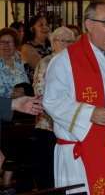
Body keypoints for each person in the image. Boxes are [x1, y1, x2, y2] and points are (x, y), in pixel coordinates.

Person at [43, 0, 105, 195]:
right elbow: (52, 101)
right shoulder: (65, 61)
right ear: (89, 24)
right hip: (82, 156)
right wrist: (89, 113)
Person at [32, 26, 76, 189]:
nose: (67, 44)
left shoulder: (77, 63)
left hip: (72, 126)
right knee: (50, 175)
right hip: (48, 127)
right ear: (53, 43)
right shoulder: (46, 62)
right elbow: (41, 94)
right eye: (63, 41)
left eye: (71, 41)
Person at [21, 14, 52, 83]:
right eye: (41, 25)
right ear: (32, 29)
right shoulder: (27, 47)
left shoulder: (51, 45)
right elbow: (43, 68)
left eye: (47, 24)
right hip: (36, 87)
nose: (45, 27)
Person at [0, 28, 29, 98]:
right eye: (2, 42)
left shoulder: (21, 61)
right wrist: (12, 94)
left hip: (24, 103)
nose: (6, 45)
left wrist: (25, 90)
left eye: (10, 42)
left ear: (15, 44)